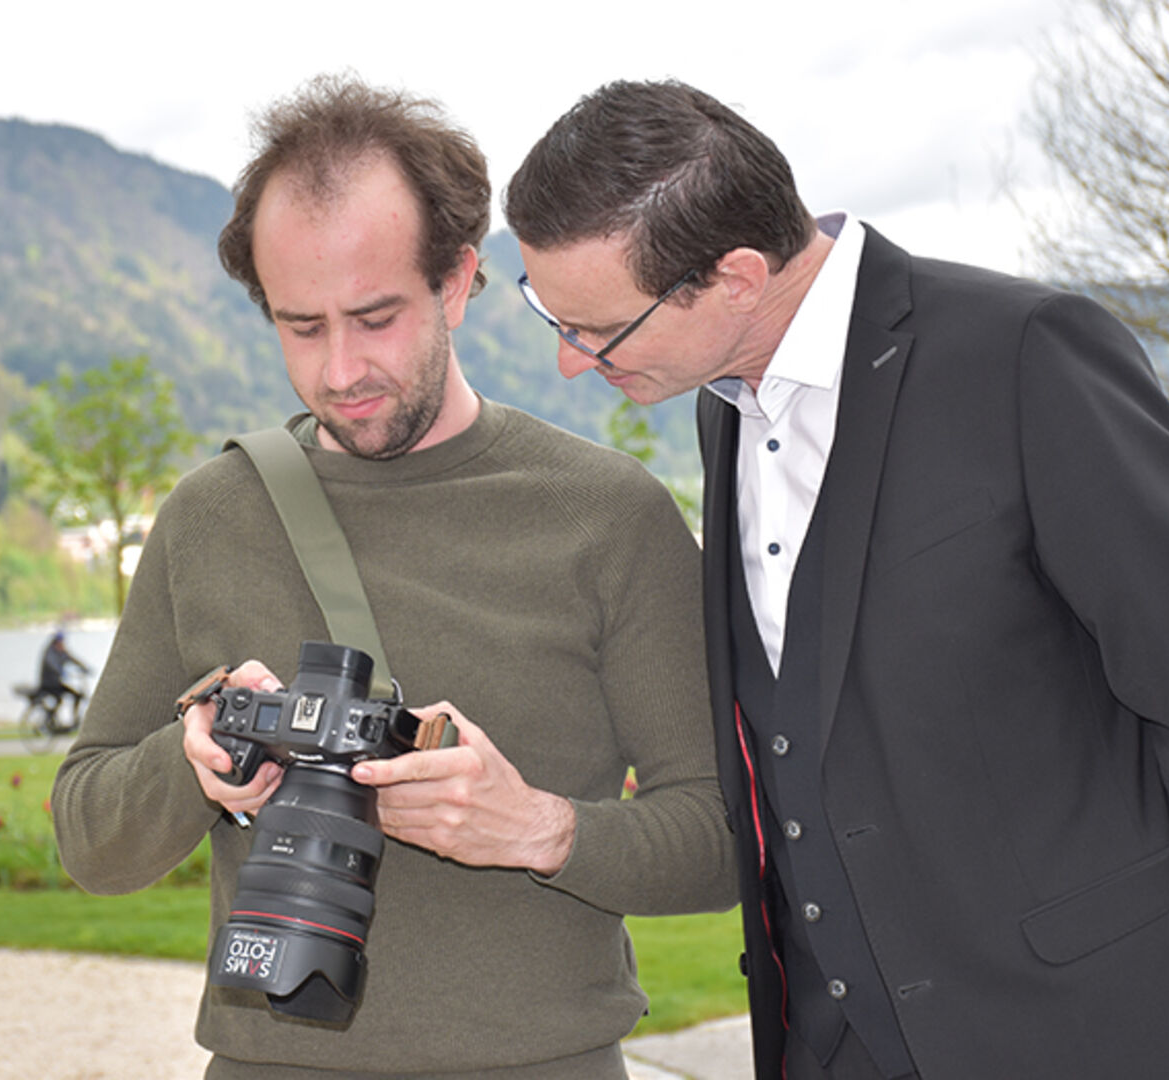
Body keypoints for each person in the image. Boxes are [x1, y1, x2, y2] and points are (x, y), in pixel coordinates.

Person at [505, 79, 1169, 1080]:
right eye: (549, 315)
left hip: (1088, 1036)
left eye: (596, 329)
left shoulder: (1024, 355)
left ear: (736, 278)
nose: (567, 363)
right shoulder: (722, 408)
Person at [50, 75, 733, 1080]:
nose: (338, 371)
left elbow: (723, 839)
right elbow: (89, 838)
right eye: (300, 325)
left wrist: (536, 830)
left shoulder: (605, 513)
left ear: (457, 281)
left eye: (375, 317)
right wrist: (189, 763)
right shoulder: (211, 515)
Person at [37, 630, 90, 730]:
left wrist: (84, 668)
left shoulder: (62, 652)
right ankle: (49, 719)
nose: (62, 644)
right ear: (55, 642)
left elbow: (72, 659)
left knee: (77, 696)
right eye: (60, 641)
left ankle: (73, 720)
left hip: (57, 683)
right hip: (49, 684)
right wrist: (61, 672)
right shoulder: (50, 652)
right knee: (59, 699)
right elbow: (52, 664)